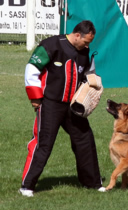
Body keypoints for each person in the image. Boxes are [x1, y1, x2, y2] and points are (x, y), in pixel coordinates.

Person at [19, 20, 105, 197]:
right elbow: (32, 69)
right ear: (77, 35)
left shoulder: (84, 51)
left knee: (85, 140)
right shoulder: (51, 45)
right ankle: (27, 186)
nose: (88, 45)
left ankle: (92, 183)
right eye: (86, 41)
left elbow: (85, 72)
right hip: (50, 104)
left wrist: (92, 83)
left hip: (73, 105)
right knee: (44, 143)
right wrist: (35, 97)